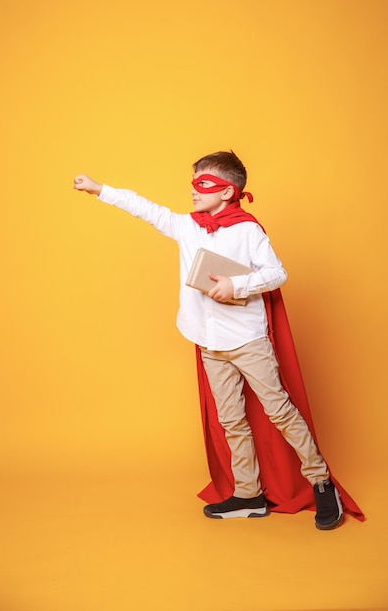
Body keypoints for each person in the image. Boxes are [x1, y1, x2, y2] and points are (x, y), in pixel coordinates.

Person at [73, 150, 346, 530]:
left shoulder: (248, 230)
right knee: (231, 420)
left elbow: (276, 273)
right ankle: (249, 493)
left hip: (247, 340)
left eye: (204, 185)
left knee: (279, 411)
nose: (194, 192)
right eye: (193, 184)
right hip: (208, 341)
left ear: (229, 191)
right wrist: (99, 189)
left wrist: (238, 284)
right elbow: (146, 209)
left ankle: (320, 481)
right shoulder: (188, 227)